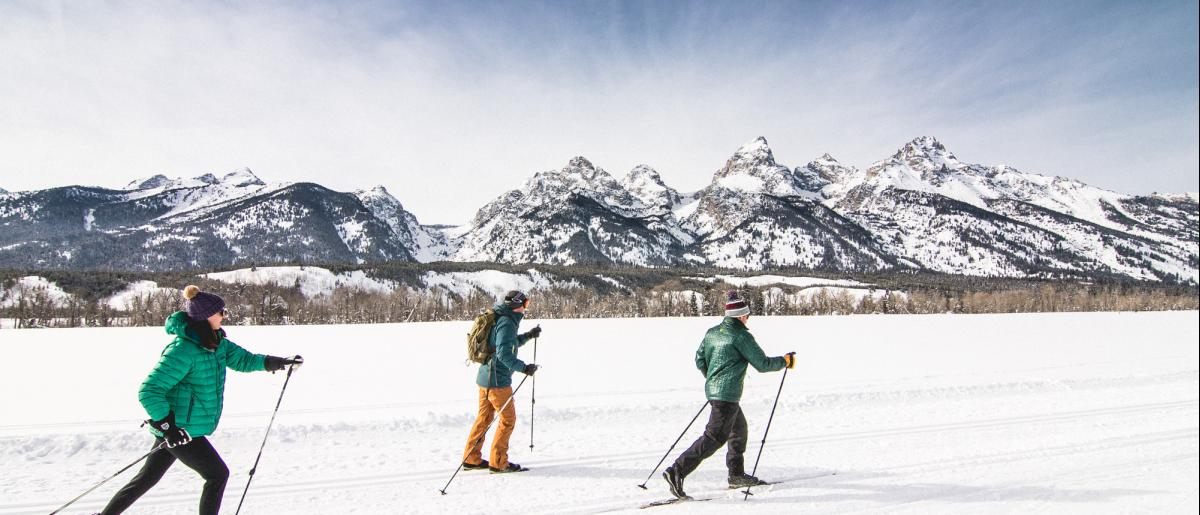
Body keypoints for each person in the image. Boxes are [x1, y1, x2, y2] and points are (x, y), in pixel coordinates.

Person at [100, 285, 303, 515]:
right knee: (217, 474)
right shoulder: (183, 349)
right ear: (207, 315)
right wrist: (168, 426)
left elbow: (245, 360)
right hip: (183, 431)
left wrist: (279, 362)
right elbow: (149, 390)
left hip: (181, 429)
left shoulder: (217, 343)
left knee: (146, 479)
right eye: (221, 312)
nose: (225, 316)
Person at [662, 290, 795, 499]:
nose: (748, 318)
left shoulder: (712, 332)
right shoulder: (741, 335)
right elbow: (762, 364)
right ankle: (677, 470)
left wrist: (713, 379)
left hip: (717, 393)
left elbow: (699, 360)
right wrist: (785, 361)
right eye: (747, 315)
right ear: (741, 316)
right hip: (727, 395)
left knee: (739, 429)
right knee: (714, 437)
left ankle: (736, 475)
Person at [461, 290, 542, 473]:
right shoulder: (507, 322)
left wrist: (528, 336)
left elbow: (507, 344)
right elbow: (504, 354)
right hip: (497, 381)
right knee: (508, 419)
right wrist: (524, 368)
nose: (526, 308)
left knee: (484, 418)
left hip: (485, 377)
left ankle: (471, 458)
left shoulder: (500, 317)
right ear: (516, 305)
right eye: (525, 304)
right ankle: (498, 462)